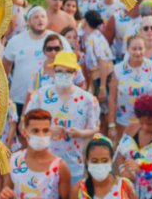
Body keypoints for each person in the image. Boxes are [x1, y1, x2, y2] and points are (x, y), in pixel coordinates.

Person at [26, 51, 100, 185]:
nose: (63, 75)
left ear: (75, 74)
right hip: (45, 164)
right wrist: (47, 130)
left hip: (74, 165)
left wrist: (80, 133)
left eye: (68, 72)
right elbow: (27, 124)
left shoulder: (87, 100)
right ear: (53, 71)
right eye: (59, 71)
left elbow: (94, 129)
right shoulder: (41, 95)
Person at [0, 109, 71, 199]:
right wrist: (5, 196)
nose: (41, 135)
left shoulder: (60, 167)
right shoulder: (13, 161)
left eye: (45, 130)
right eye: (35, 131)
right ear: (25, 132)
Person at [2, 6, 71, 119]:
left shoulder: (58, 40)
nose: (40, 20)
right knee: (21, 133)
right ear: (28, 21)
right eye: (36, 17)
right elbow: (5, 68)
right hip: (19, 98)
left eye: (43, 17)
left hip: (49, 100)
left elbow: (70, 65)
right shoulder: (16, 41)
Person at [70, 134, 141, 199]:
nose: (100, 165)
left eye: (104, 160)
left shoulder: (125, 187)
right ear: (87, 162)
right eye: (94, 161)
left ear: (111, 160)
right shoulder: (78, 190)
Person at [108, 35, 152, 141]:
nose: (138, 52)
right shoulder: (118, 70)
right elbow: (112, 98)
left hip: (148, 121)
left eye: (140, 49)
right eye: (134, 49)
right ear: (128, 50)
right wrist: (111, 124)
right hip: (124, 121)